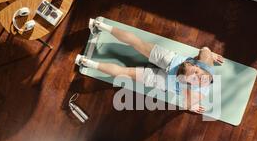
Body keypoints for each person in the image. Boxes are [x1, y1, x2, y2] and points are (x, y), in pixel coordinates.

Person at [75, 19, 224, 113]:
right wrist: (192, 106)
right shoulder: (199, 90)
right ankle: (84, 60)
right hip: (168, 73)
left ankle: (98, 26)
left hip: (170, 66)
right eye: (197, 72)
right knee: (124, 70)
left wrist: (210, 54)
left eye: (194, 78)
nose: (199, 76)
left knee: (135, 47)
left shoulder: (205, 63)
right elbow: (187, 105)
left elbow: (204, 50)